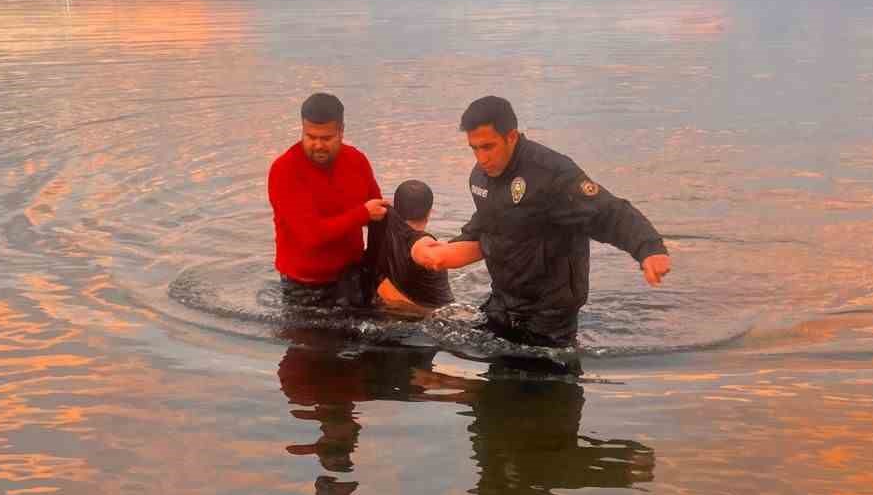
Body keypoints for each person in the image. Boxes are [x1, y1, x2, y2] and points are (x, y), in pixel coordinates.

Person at [423, 95, 672, 347]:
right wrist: (445, 249)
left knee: (542, 381)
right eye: (474, 148)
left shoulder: (551, 173)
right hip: (503, 302)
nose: (481, 158)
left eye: (488, 147)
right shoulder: (480, 177)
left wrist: (649, 248)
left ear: (511, 137)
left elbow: (608, 212)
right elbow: (485, 224)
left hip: (550, 314)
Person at [268, 91, 387, 304]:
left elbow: (377, 214)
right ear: (302, 130)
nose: (318, 145)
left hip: (353, 277)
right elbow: (311, 235)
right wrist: (362, 213)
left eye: (326, 138)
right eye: (310, 137)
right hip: (304, 286)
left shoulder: (356, 160)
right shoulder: (284, 170)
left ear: (341, 131)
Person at [371, 179, 470, 315]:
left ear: (396, 207)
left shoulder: (382, 223)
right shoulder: (423, 243)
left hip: (385, 312)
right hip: (430, 320)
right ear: (430, 212)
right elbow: (432, 256)